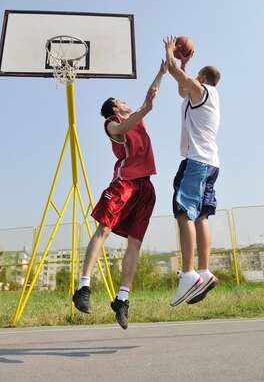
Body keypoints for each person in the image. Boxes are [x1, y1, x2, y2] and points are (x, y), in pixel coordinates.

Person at [72, 61, 167, 329]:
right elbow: (125, 127)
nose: (126, 102)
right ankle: (83, 287)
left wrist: (161, 72)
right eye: (121, 100)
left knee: (135, 243)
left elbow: (148, 100)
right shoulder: (113, 123)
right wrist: (144, 107)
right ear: (116, 108)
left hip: (145, 188)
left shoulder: (136, 118)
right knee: (103, 229)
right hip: (124, 183)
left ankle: (122, 299)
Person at [164, 36, 221, 306]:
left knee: (182, 210)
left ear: (202, 78)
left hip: (197, 162)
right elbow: (180, 88)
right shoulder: (203, 96)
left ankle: (188, 274)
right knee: (201, 216)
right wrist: (185, 63)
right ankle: (204, 270)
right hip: (210, 163)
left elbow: (174, 74)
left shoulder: (201, 91)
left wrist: (170, 54)